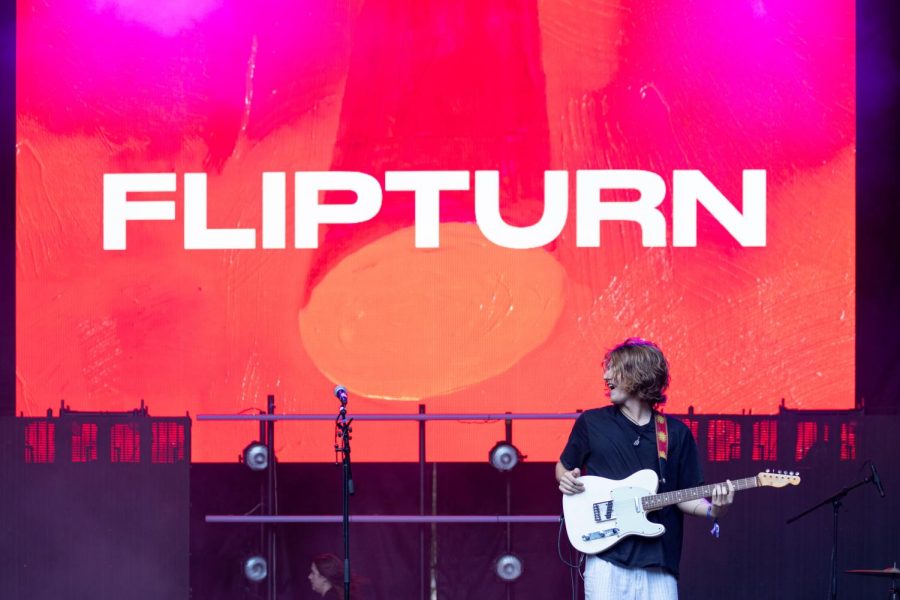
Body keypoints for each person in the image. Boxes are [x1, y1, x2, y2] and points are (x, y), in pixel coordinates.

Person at [556, 338, 734, 599]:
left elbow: (686, 495)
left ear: (639, 375)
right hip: (606, 558)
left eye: (614, 369)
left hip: (659, 561)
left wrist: (714, 509)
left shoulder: (675, 433)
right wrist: (566, 479)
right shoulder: (592, 423)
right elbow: (564, 466)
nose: (606, 376)